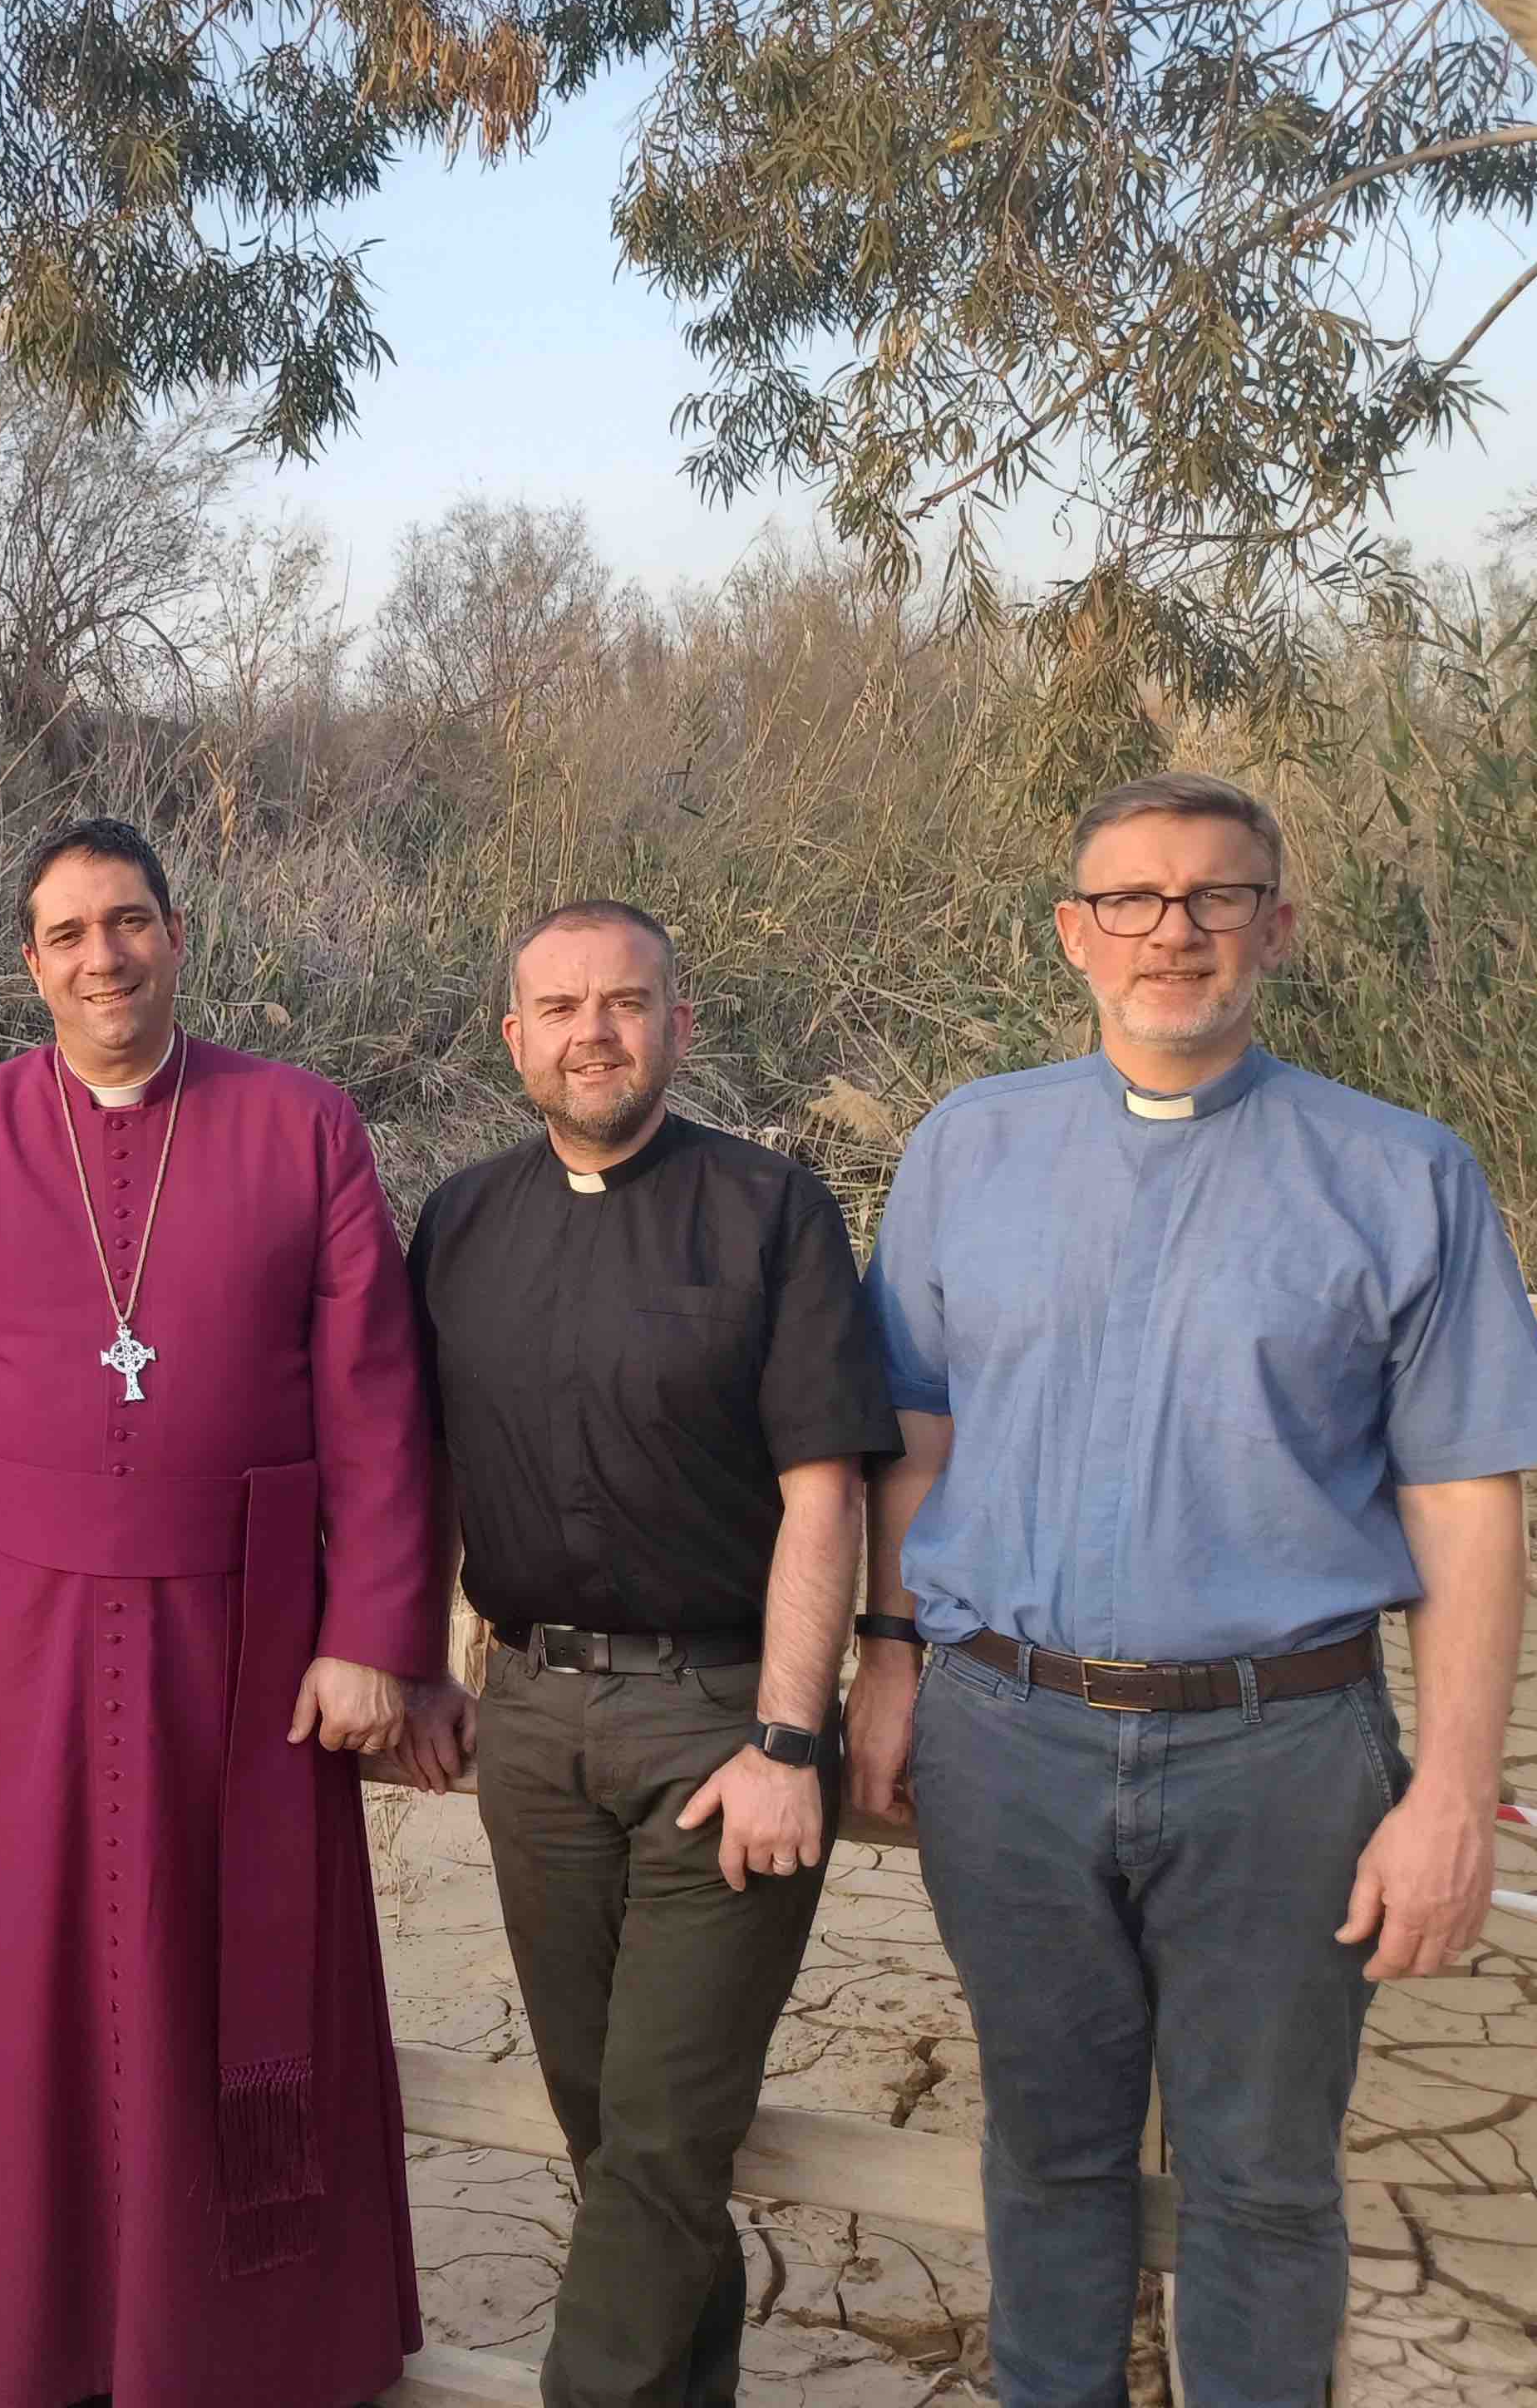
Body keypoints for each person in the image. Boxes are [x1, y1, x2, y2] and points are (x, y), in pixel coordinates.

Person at [855, 771, 1537, 2408]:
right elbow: (909, 1447)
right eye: (1132, 900)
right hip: (999, 1741)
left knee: (1260, 2180)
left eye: (1213, 897)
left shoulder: (1397, 1174)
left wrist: (1449, 1789)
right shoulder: (966, 1147)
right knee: (1044, 2158)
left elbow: (1464, 1512)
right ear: (1069, 934)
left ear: (1273, 926)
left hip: (1280, 1753)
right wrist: (885, 1675)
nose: (1172, 931)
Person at [0, 816, 456, 2408]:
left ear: (177, 937)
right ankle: (60, 2334)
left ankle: (249, 2343)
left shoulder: (303, 1125)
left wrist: (373, 1631)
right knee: (36, 1991)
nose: (100, 957)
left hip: (247, 1650)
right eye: (66, 933)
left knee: (235, 1992)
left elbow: (378, 1403)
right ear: (28, 963)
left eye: (128, 923)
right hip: (15, 1648)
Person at [410, 900, 894, 2408]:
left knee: (669, 2129)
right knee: (605, 2128)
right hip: (530, 1719)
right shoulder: (461, 1221)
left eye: (626, 1004)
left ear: (679, 1024)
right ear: (515, 1039)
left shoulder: (771, 1210)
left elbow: (829, 1488)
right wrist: (423, 1664)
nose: (593, 1033)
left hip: (717, 1725)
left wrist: (790, 1738)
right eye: (559, 1009)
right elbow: (417, 1467)